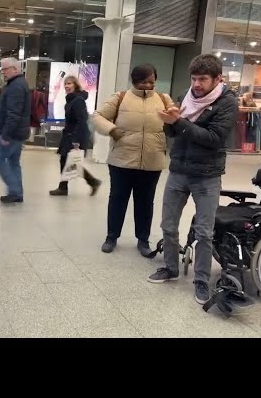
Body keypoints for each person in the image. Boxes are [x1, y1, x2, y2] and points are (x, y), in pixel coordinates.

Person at [147, 54, 238, 306]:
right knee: (168, 224)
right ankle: (170, 268)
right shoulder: (185, 97)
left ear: (217, 79)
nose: (197, 84)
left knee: (204, 232)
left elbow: (213, 138)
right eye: (194, 78)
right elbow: (174, 132)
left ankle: (201, 280)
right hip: (179, 171)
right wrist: (170, 123)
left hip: (207, 176)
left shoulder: (227, 102)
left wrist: (180, 122)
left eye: (203, 79)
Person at [92, 64, 172, 256]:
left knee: (145, 201)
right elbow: (98, 117)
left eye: (151, 81)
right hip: (122, 159)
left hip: (152, 160)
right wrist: (112, 130)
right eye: (143, 81)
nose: (148, 85)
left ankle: (143, 239)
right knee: (118, 198)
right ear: (134, 81)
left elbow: (175, 120)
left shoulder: (163, 99)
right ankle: (112, 236)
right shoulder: (120, 97)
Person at [50, 75, 101, 197]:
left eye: (70, 83)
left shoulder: (78, 100)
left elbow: (81, 120)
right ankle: (92, 182)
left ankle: (64, 188)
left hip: (75, 135)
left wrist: (76, 140)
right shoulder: (72, 99)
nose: (67, 86)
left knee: (69, 161)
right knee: (69, 161)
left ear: (75, 85)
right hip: (70, 134)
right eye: (65, 84)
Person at [0, 57, 30, 204]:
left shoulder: (16, 86)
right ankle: (17, 193)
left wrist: (6, 135)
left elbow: (13, 113)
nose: (3, 72)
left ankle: (14, 191)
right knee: (14, 162)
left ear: (15, 69)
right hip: (17, 132)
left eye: (5, 69)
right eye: (2, 69)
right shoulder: (18, 84)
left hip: (12, 133)